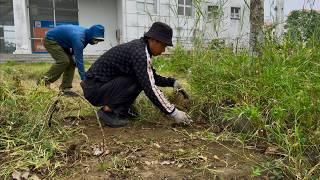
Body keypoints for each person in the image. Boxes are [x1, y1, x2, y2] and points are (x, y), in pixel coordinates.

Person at [80, 22, 192, 128]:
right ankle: (108, 111)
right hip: (95, 89)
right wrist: (173, 112)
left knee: (141, 78)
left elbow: (151, 76)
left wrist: (173, 82)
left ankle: (122, 109)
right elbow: (150, 87)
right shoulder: (140, 54)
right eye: (163, 46)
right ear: (153, 40)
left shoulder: (140, 49)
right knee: (140, 80)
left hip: (100, 86)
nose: (163, 50)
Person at [38, 24, 104, 96]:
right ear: (91, 35)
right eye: (95, 40)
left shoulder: (85, 36)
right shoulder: (79, 38)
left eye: (98, 41)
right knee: (64, 61)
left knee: (72, 63)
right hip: (50, 40)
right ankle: (43, 82)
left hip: (62, 43)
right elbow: (79, 61)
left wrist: (73, 58)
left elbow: (74, 52)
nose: (96, 43)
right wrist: (84, 79)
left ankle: (65, 89)